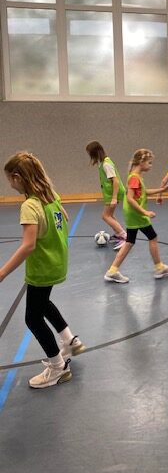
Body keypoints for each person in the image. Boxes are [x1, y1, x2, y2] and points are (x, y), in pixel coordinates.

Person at [0, 152, 85, 389]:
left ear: (17, 178)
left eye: (9, 179)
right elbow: (65, 217)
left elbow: (28, 245)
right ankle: (69, 340)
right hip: (56, 262)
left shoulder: (30, 205)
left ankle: (58, 368)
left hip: (42, 268)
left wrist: (3, 272)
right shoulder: (51, 196)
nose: (9, 184)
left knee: (32, 318)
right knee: (42, 303)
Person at [104, 149, 168, 284]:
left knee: (130, 242)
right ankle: (159, 268)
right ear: (141, 162)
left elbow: (144, 192)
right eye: (149, 162)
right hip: (136, 214)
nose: (151, 165)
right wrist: (144, 212)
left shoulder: (136, 176)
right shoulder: (134, 178)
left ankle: (112, 271)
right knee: (152, 237)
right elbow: (130, 198)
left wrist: (162, 190)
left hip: (132, 214)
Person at [85, 140, 126, 250]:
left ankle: (124, 236)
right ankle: (118, 234)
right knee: (110, 215)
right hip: (110, 194)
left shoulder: (106, 164)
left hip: (113, 194)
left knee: (105, 216)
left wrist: (114, 198)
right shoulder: (102, 163)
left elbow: (115, 181)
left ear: (95, 152)